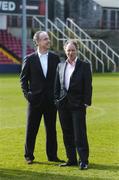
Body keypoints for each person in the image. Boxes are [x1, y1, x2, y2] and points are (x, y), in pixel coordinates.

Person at [20, 31, 64, 164]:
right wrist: (28, 95)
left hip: (51, 101)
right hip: (35, 101)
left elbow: (59, 80)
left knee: (51, 130)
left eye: (48, 39)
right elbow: (23, 80)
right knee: (31, 129)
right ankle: (29, 156)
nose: (48, 41)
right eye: (45, 39)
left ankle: (52, 156)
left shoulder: (55, 58)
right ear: (37, 42)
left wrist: (57, 97)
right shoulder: (30, 59)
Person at [54, 40, 92, 170]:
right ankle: (71, 159)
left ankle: (84, 160)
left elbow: (88, 86)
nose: (70, 52)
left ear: (77, 50)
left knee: (79, 133)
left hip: (78, 105)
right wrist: (56, 101)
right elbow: (57, 86)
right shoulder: (60, 66)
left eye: (73, 50)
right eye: (68, 50)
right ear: (65, 51)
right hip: (63, 105)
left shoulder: (84, 66)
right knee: (67, 133)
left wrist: (86, 102)